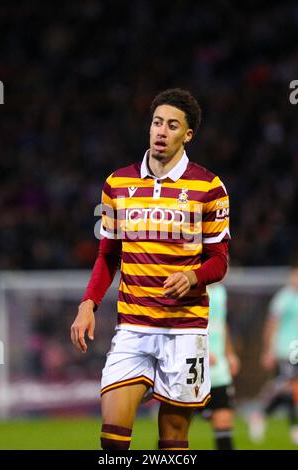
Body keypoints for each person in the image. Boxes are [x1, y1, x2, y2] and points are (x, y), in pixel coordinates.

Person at [70, 88, 230, 450]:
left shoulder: (209, 187)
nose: (161, 131)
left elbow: (219, 261)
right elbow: (108, 254)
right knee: (112, 441)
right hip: (134, 329)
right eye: (157, 122)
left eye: (172, 125)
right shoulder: (118, 184)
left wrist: (191, 276)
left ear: (187, 135)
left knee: (173, 443)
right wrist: (88, 304)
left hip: (185, 331)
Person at [248, 266, 298, 445]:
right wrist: (268, 350)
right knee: (289, 385)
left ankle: (264, 415)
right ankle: (262, 413)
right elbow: (271, 325)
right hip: (285, 349)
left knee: (292, 389)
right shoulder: (284, 297)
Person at [201, 283, 240, 450]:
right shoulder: (195, 287)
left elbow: (221, 324)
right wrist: (201, 351)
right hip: (193, 368)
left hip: (218, 371)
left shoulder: (221, 291)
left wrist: (230, 353)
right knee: (175, 426)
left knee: (224, 420)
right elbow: (183, 323)